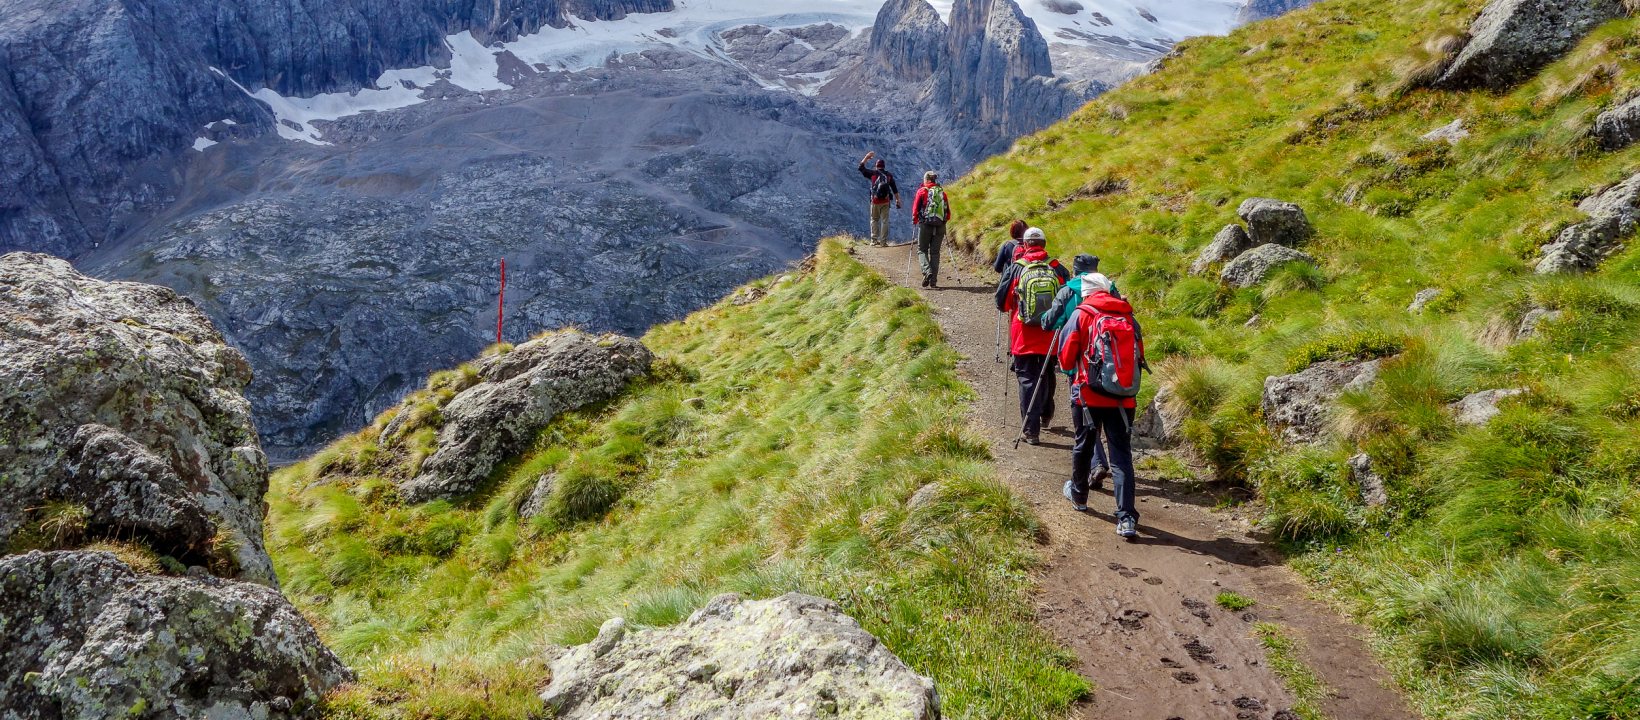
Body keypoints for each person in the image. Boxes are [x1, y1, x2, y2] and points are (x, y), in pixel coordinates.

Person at [1057, 274, 1146, 539]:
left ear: (1086, 293)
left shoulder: (1082, 314)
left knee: (1084, 445)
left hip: (1088, 395)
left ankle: (1079, 495)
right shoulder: (1128, 315)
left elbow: (1065, 358)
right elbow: (1139, 354)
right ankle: (1127, 517)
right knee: (1121, 455)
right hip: (1123, 398)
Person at [995, 227, 1070, 444]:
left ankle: (1031, 430)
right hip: (1050, 333)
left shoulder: (1017, 269)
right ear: (1044, 244)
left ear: (1025, 245)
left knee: (1027, 377)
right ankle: (1046, 413)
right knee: (1046, 372)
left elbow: (1002, 302)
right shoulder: (1057, 268)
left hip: (1023, 333)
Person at [1049, 256, 1113, 482]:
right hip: (1111, 364)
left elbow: (1049, 321)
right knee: (1109, 417)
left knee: (1087, 416)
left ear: (1075, 270)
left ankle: (1096, 464)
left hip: (1081, 364)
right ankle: (1112, 464)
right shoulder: (1110, 290)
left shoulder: (1067, 291)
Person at [910, 171, 951, 288]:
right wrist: (942, 222)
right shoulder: (942, 193)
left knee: (922, 250)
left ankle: (927, 272)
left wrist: (915, 220)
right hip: (940, 226)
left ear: (926, 179)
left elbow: (915, 211)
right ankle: (933, 281)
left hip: (925, 225)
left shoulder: (922, 191)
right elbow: (948, 214)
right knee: (935, 253)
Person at [858, 151, 901, 246]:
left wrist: (866, 157)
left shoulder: (873, 174)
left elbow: (861, 168)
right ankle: (883, 242)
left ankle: (873, 241)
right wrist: (898, 200)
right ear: (884, 166)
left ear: (876, 166)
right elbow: (894, 189)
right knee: (885, 221)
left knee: (874, 220)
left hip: (875, 201)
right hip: (886, 201)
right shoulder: (889, 175)